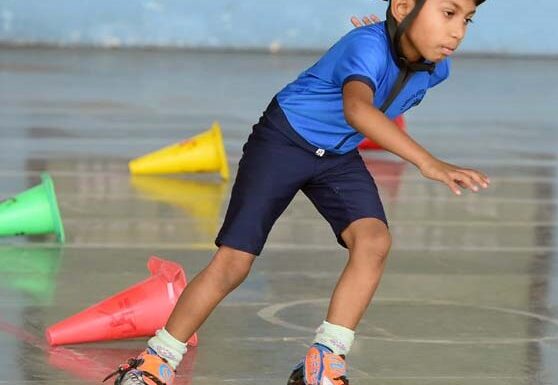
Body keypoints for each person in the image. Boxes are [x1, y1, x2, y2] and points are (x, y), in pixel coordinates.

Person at [104, 1, 488, 384]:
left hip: (337, 155)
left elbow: (385, 80)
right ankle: (156, 360)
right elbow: (357, 109)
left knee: (374, 241)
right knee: (234, 263)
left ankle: (323, 361)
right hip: (284, 141)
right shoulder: (365, 46)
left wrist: (393, 39)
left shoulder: (437, 68)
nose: (458, 31)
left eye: (468, 19)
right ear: (404, 6)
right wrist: (427, 161)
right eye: (448, 13)